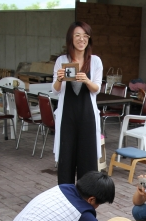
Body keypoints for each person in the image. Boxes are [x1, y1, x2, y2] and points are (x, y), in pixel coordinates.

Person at [52, 21, 103, 184]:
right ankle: (65, 195)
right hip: (67, 115)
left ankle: (86, 196)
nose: (82, 39)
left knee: (87, 157)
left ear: (89, 39)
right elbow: (55, 90)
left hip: (87, 115)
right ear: (71, 38)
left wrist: (87, 81)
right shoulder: (62, 60)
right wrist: (60, 79)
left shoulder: (95, 61)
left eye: (85, 36)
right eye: (77, 35)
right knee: (66, 156)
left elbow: (97, 89)